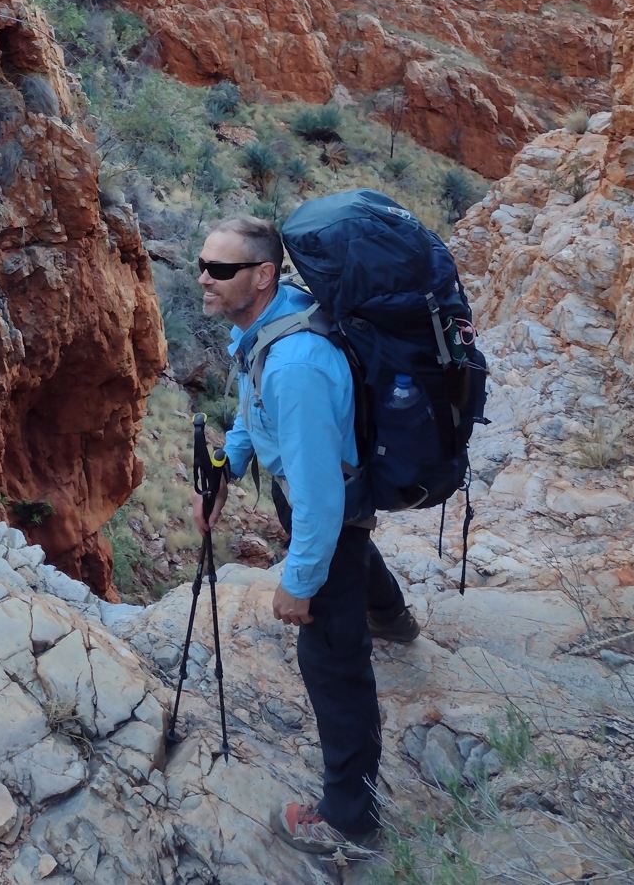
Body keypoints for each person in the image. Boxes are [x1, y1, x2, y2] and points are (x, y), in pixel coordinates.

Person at [193, 214, 419, 858]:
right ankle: (394, 615)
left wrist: (298, 582)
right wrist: (228, 465)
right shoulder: (271, 322)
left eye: (221, 270)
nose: (205, 279)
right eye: (203, 265)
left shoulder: (296, 363)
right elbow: (248, 402)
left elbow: (320, 500)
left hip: (328, 508)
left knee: (331, 661)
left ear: (262, 276)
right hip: (327, 503)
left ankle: (351, 817)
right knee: (349, 556)